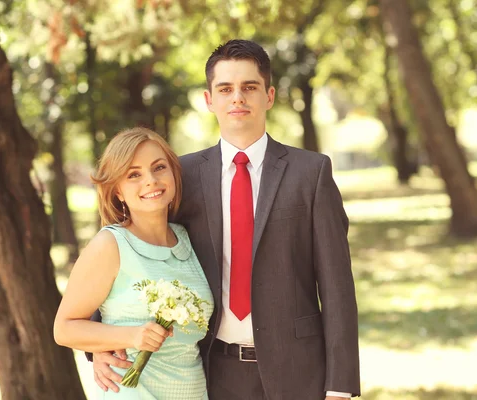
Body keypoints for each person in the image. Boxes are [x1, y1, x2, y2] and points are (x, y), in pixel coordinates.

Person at [92, 39, 361, 399]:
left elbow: (337, 285)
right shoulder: (181, 176)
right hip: (212, 369)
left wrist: (340, 386)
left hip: (299, 371)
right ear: (209, 100)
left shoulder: (310, 173)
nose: (238, 98)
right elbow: (131, 244)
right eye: (225, 89)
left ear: (268, 95)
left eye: (249, 87)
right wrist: (98, 342)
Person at [54, 127, 214, 399]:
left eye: (159, 167)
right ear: (117, 190)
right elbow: (64, 328)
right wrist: (130, 336)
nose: (151, 181)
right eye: (134, 174)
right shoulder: (110, 245)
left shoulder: (191, 240)